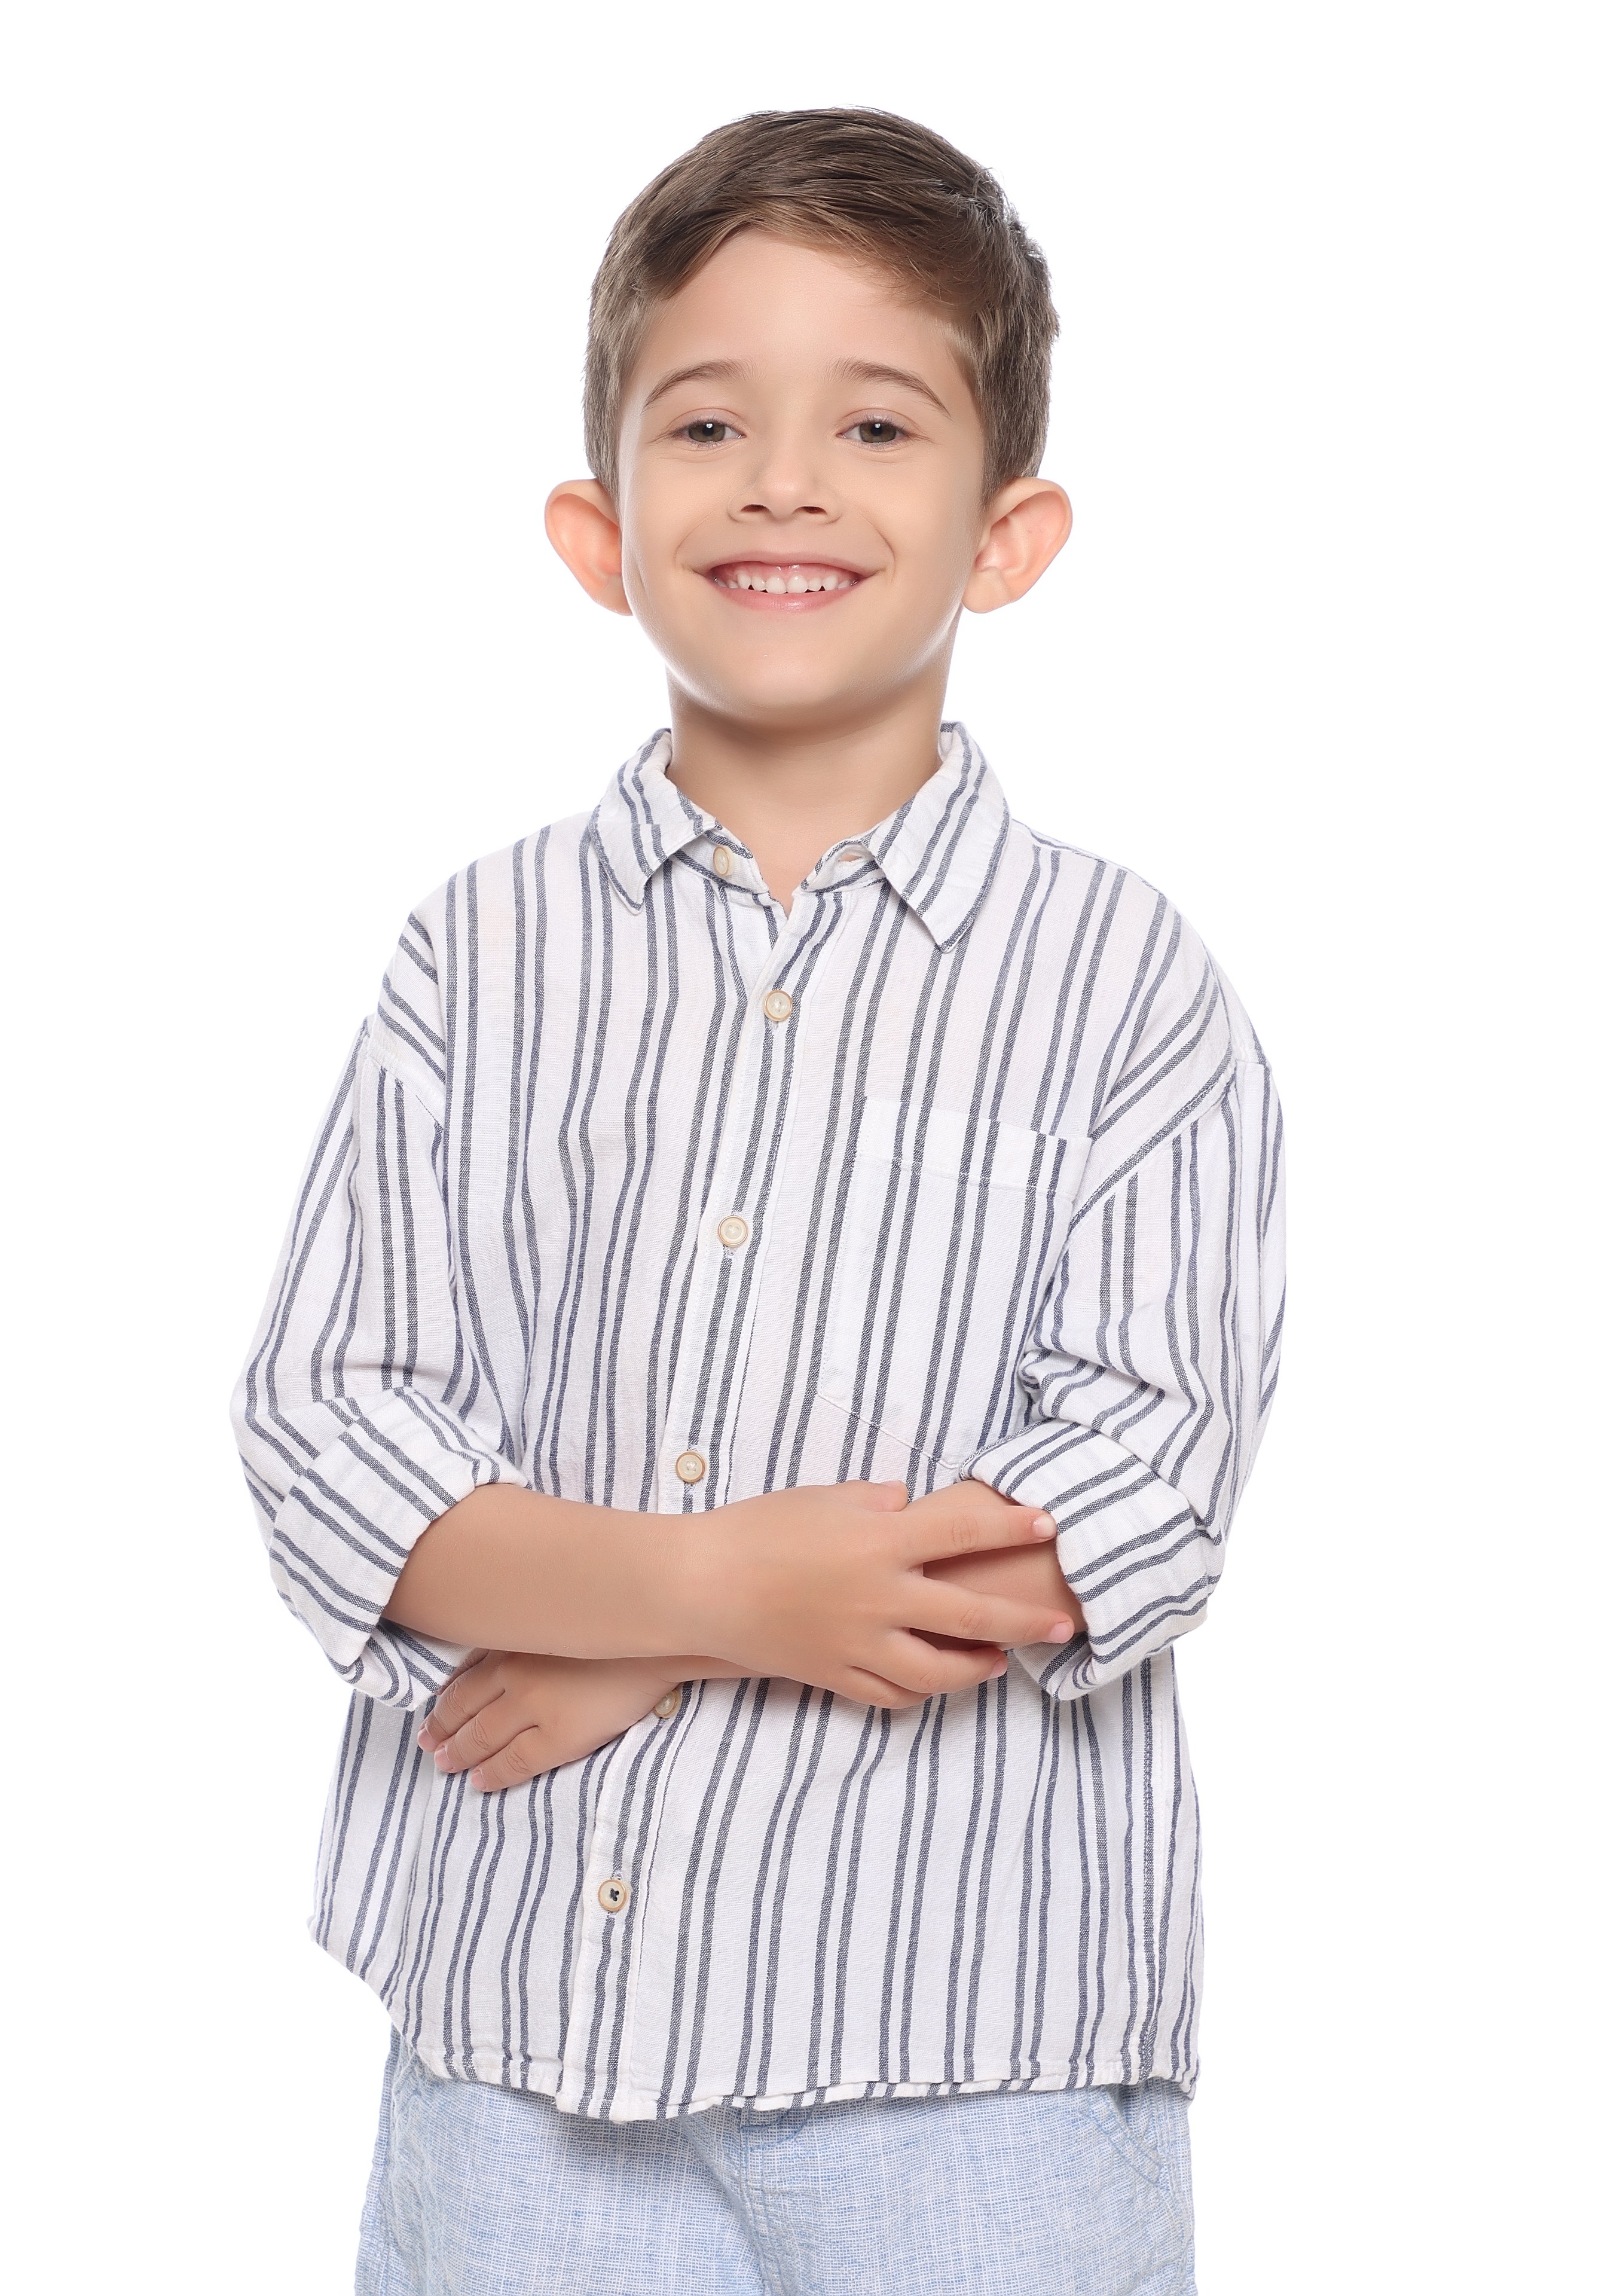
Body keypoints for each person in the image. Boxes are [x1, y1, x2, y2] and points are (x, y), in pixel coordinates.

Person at [233, 106, 1285, 2296]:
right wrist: (711, 1591)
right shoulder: (480, 957)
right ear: (597, 528)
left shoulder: (1120, 984)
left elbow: (1135, 1489)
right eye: (708, 423)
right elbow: (333, 1434)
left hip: (963, 2052)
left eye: (874, 424)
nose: (785, 481)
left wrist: (640, 1636)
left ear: (1006, 535)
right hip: (521, 2014)